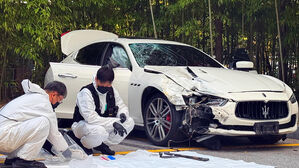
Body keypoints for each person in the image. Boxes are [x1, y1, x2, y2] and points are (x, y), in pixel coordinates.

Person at [0, 80, 85, 168]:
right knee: (44, 122)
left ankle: (12, 159)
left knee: (33, 125)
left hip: (4, 136)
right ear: (53, 94)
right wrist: (67, 153)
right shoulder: (44, 103)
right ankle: (24, 161)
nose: (58, 103)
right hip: (5, 137)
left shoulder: (32, 97)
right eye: (59, 100)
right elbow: (54, 134)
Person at [68, 67, 135, 155]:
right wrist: (114, 123)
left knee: (129, 122)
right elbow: (91, 118)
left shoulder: (112, 91)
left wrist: (122, 114)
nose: (103, 87)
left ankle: (101, 145)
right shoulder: (86, 92)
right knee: (99, 131)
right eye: (101, 83)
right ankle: (83, 143)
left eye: (106, 85)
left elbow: (121, 105)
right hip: (83, 125)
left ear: (111, 83)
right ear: (96, 79)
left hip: (103, 124)